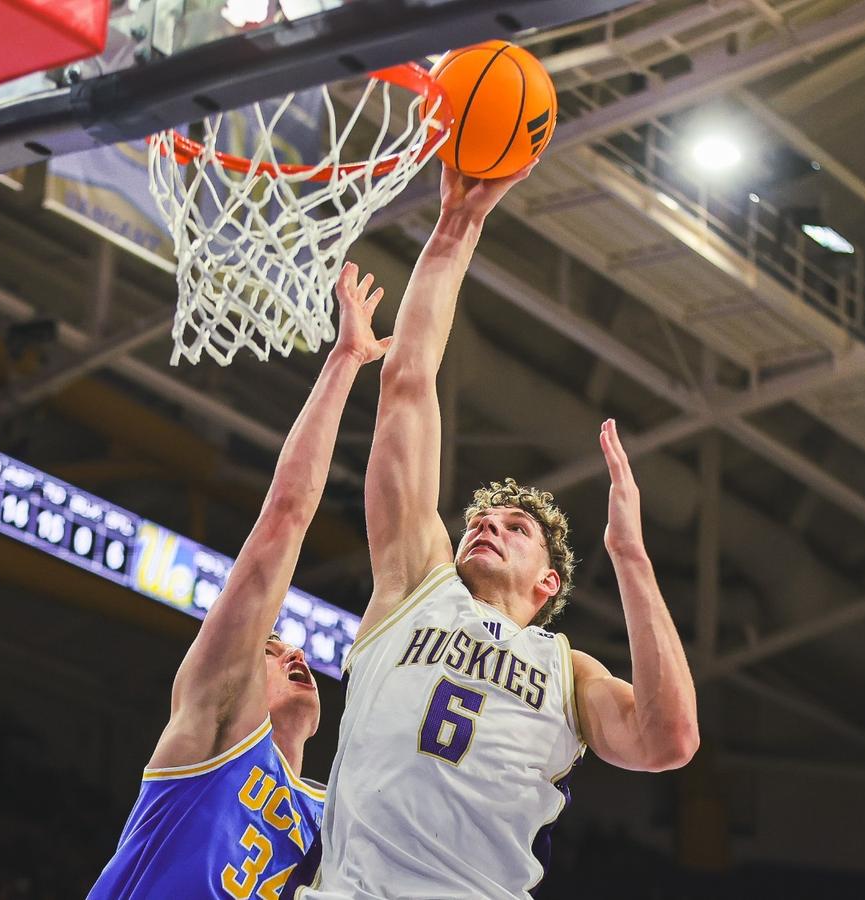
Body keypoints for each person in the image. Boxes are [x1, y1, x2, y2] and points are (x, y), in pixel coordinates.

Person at [298, 165, 701, 898]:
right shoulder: (414, 586)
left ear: (549, 584)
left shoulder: (568, 672)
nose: (487, 526)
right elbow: (409, 382)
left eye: (516, 528)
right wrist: (457, 224)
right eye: (480, 520)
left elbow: (668, 741)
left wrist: (631, 556)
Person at [87, 265, 392, 899]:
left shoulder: (331, 827)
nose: (295, 652)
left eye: (289, 647)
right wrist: (345, 362)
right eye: (272, 648)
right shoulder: (217, 727)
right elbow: (284, 518)